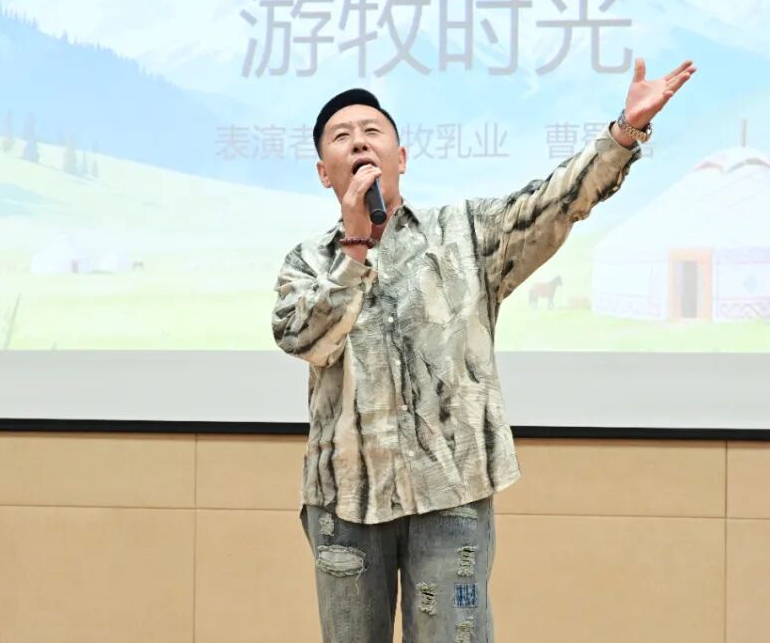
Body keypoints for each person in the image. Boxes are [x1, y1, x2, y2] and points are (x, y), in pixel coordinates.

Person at [272, 58, 695, 642]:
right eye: (342, 136)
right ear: (325, 172)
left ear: (401, 157)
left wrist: (623, 132)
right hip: (347, 503)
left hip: (452, 494)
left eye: (373, 131)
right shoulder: (306, 263)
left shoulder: (465, 235)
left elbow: (552, 202)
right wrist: (355, 248)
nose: (360, 142)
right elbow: (305, 340)